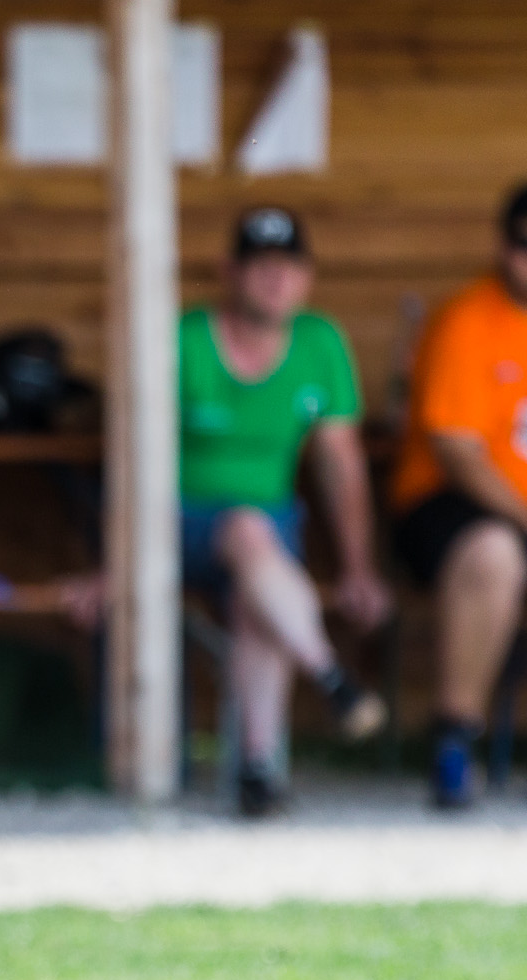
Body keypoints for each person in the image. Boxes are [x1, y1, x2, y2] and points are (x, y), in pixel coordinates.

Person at [178, 207, 391, 817]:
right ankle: (328, 676)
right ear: (230, 272)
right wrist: (117, 561)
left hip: (269, 533)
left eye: (290, 266)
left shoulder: (320, 342)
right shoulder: (185, 339)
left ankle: (258, 769)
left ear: (308, 276)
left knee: (258, 583)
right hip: (178, 525)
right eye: (261, 266)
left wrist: (357, 568)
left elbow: (340, 464)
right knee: (251, 535)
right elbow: (133, 456)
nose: (276, 279)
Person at [388, 184, 527, 808]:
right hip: (447, 505)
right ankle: (454, 738)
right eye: (524, 247)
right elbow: (457, 452)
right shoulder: (467, 320)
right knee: (494, 553)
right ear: (503, 247)